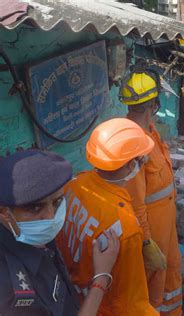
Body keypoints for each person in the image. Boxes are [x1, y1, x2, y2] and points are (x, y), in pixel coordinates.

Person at [56, 118, 161, 315]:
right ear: (130, 165)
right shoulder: (125, 227)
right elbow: (131, 300)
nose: (145, 162)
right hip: (104, 306)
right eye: (142, 159)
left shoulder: (75, 184)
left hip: (75, 293)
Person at [0, 149, 120, 316]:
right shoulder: (11, 296)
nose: (51, 217)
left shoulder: (29, 232)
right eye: (35, 207)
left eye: (57, 202)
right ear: (5, 213)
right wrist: (101, 277)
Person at [119, 70, 182, 314]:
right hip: (152, 230)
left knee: (172, 269)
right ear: (153, 104)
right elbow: (135, 204)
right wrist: (146, 242)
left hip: (166, 223)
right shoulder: (134, 144)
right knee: (153, 282)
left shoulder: (150, 131)